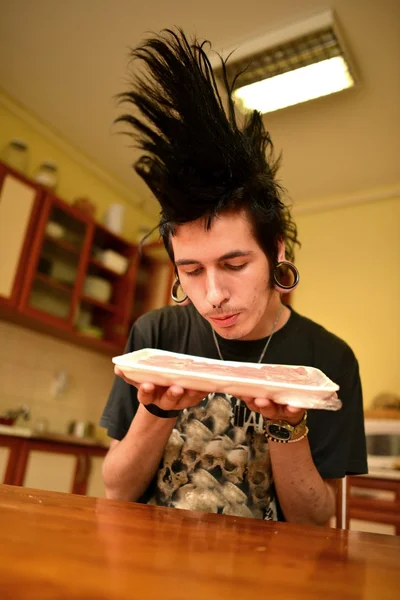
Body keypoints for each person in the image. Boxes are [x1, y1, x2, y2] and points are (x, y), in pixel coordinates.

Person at [100, 29, 367, 524]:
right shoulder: (157, 336)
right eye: (192, 270)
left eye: (235, 264)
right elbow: (116, 490)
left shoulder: (327, 360)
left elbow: (315, 521)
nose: (214, 295)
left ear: (276, 253)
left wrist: (288, 430)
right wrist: (157, 413)